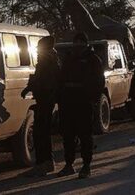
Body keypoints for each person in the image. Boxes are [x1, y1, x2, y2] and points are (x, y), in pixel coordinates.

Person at [57, 33, 104, 179]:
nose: (78, 45)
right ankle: (69, 164)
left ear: (85, 43)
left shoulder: (92, 59)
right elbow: (61, 79)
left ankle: (86, 165)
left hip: (84, 102)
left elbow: (99, 81)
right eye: (76, 42)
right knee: (68, 135)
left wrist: (93, 99)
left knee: (85, 135)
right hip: (67, 101)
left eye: (80, 42)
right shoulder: (69, 58)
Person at [20, 36, 60, 177]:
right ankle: (47, 163)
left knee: (40, 133)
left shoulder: (47, 61)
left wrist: (32, 88)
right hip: (45, 100)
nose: (37, 51)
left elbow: (43, 80)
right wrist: (29, 88)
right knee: (43, 133)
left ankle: (43, 164)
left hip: (45, 100)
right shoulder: (50, 60)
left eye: (39, 48)